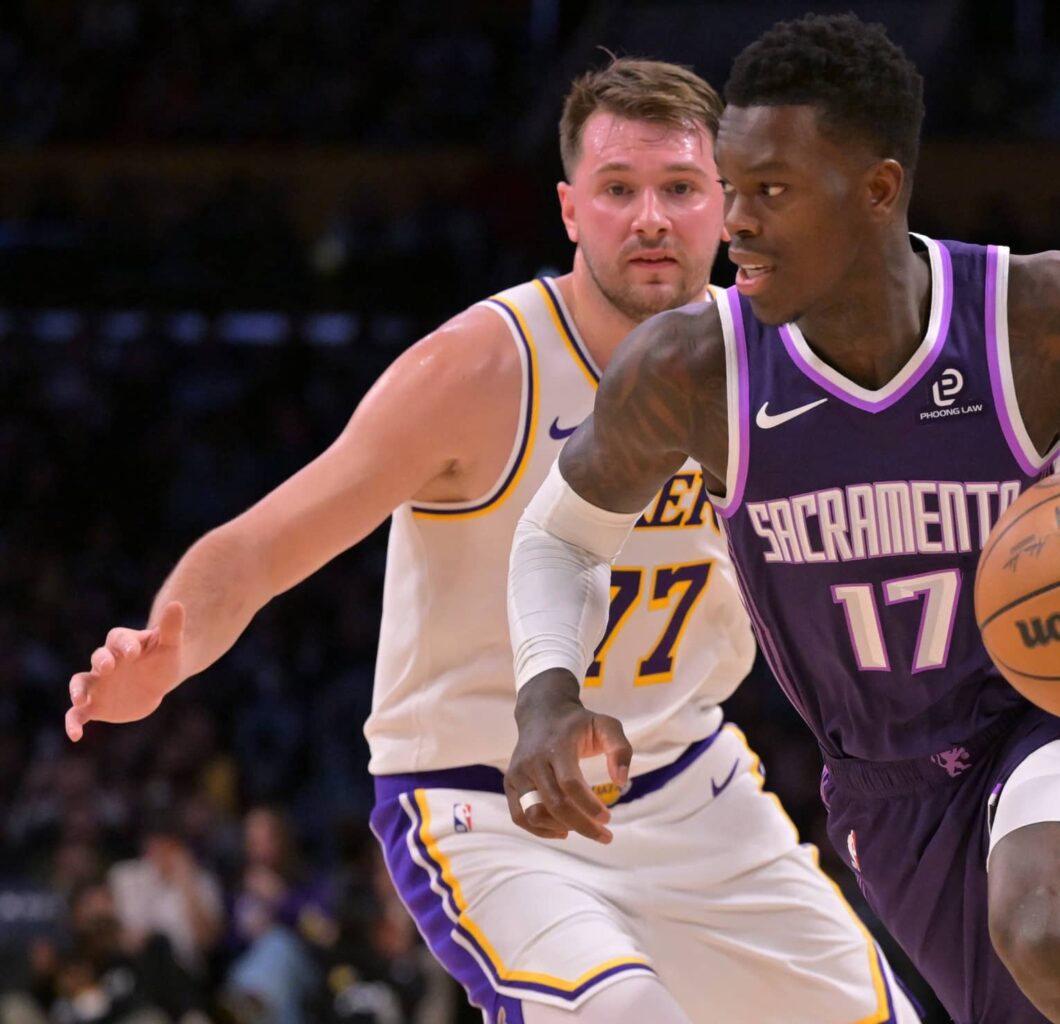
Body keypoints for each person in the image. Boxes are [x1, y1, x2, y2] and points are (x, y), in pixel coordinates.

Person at [62, 58, 921, 1024]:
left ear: (724, 202)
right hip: (487, 802)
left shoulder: (784, 356)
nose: (650, 218)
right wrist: (168, 651)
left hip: (690, 785)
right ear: (569, 210)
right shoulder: (479, 370)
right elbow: (260, 547)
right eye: (618, 189)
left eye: (680, 188)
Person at [504, 15, 1060, 1024]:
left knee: (1056, 935)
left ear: (876, 189)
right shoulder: (692, 366)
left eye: (771, 191)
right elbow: (560, 534)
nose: (734, 223)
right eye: (731, 188)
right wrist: (546, 693)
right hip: (891, 781)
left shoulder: (1040, 314)